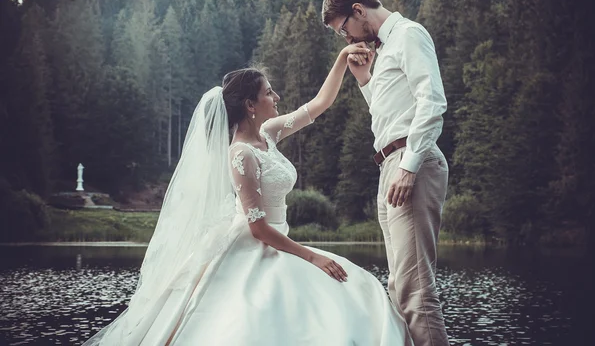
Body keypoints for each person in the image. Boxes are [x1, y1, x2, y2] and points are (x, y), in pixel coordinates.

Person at [83, 43, 412, 345]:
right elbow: (257, 228)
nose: (277, 97)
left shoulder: (268, 134)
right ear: (250, 104)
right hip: (256, 244)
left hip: (279, 239)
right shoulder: (240, 154)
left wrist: (342, 59)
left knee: (356, 290)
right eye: (269, 93)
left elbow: (319, 104)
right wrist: (312, 256)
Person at [321, 0, 450, 346]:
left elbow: (432, 102)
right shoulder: (387, 47)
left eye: (344, 28)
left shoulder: (409, 34)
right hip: (390, 165)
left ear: (359, 10)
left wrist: (409, 167)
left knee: (415, 291)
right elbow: (389, 114)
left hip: (412, 163)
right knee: (398, 287)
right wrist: (365, 80)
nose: (346, 38)